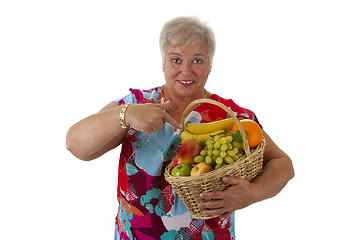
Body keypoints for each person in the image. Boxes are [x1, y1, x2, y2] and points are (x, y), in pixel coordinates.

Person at [66, 16, 294, 240]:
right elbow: (75, 144)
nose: (186, 70)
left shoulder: (231, 116)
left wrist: (252, 194)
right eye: (176, 60)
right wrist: (126, 114)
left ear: (210, 66)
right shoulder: (136, 104)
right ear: (163, 62)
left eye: (197, 60)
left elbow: (282, 164)